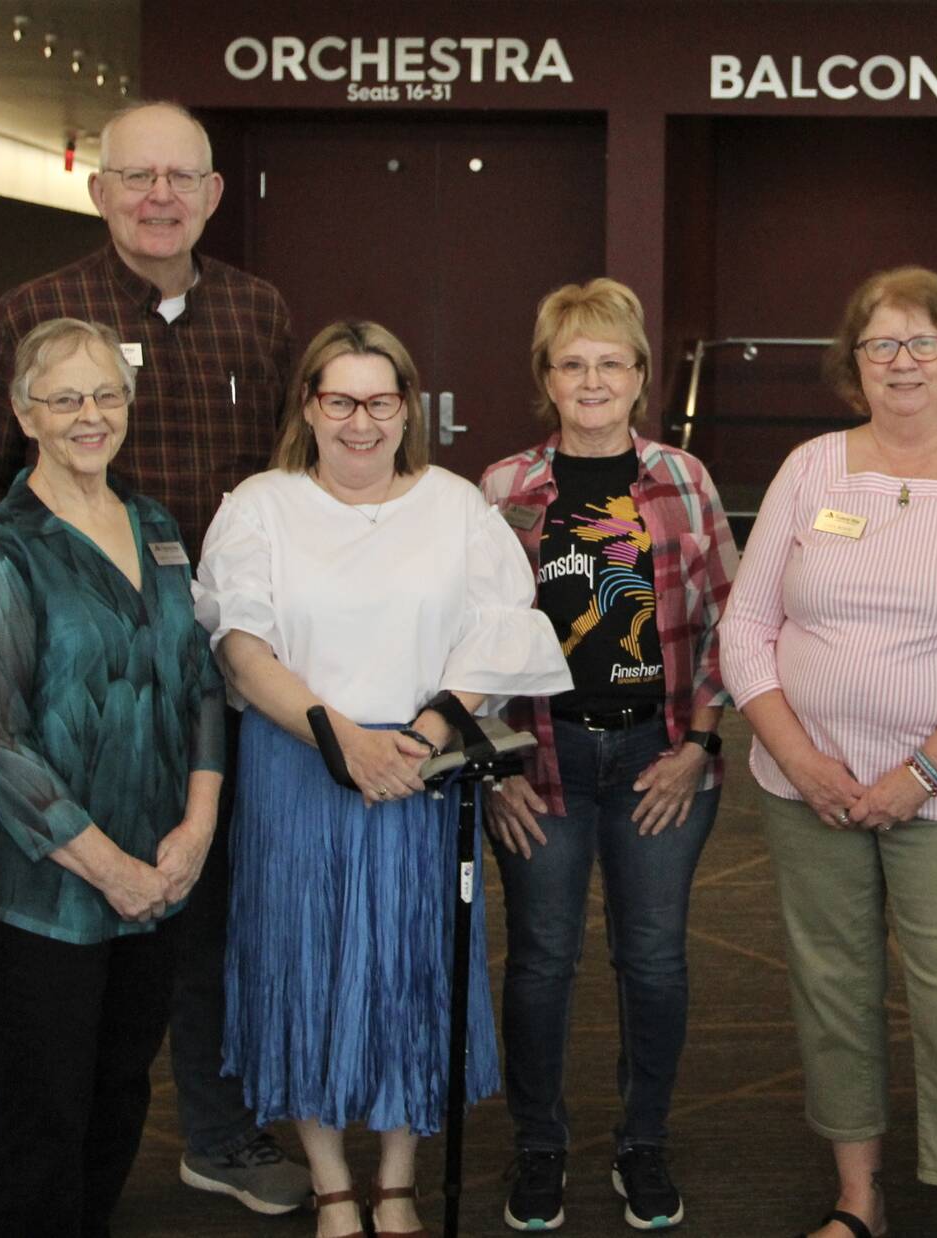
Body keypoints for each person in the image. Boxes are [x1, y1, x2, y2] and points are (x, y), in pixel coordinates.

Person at [0, 100, 306, 1217]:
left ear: (211, 195)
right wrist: (57, 611)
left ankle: (216, 1131)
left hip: (213, 689)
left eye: (181, 178)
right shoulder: (31, 313)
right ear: (99, 189)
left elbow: (286, 484)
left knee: (203, 926)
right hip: (64, 700)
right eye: (135, 175)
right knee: (50, 1065)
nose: (159, 195)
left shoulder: (257, 313)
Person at [195, 321, 570, 1238]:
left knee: (411, 971)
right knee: (303, 967)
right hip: (300, 764)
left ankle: (397, 1178)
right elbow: (241, 645)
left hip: (422, 767)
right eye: (339, 401)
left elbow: (498, 629)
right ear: (309, 409)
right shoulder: (259, 506)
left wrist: (430, 728)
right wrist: (339, 737)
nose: (360, 423)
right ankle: (330, 1180)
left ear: (407, 408)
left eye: (380, 401)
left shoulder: (454, 506)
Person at [719, 266, 937, 1238]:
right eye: (880, 344)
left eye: (923, 342)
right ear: (852, 364)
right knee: (832, 987)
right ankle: (856, 1197)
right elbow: (745, 630)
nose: (902, 362)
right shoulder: (810, 468)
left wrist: (919, 773)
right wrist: (801, 759)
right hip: (803, 787)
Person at [0, 318, 226, 1235]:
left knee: (117, 1094)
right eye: (65, 398)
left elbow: (197, 680)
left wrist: (195, 829)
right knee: (44, 1109)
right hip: (45, 882)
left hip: (158, 864)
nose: (89, 414)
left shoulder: (154, 525)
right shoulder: (5, 550)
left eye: (106, 394)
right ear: (26, 415)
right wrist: (113, 870)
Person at [477, 278, 739, 1233]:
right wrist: (498, 762)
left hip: (659, 757)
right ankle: (539, 1146)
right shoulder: (504, 489)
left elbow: (727, 623)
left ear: (640, 377)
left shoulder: (684, 480)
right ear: (547, 377)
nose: (593, 381)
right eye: (572, 364)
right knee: (542, 960)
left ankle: (643, 1144)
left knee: (655, 960)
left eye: (611, 363)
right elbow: (474, 638)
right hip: (540, 762)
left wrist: (699, 743)